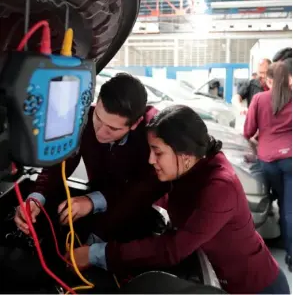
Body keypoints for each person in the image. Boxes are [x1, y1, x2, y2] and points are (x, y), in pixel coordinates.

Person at [69, 105, 290, 294]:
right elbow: (137, 193)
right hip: (218, 280)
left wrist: (99, 254)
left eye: (157, 152)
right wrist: (95, 218)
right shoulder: (186, 167)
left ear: (184, 155)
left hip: (257, 287)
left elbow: (172, 249)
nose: (150, 160)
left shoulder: (220, 188)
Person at [14, 73, 167, 243]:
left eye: (113, 129)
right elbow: (60, 164)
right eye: (98, 119)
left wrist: (92, 204)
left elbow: (144, 190)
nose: (100, 132)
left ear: (136, 123)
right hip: (95, 198)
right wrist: (36, 198)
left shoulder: (153, 137)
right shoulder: (83, 117)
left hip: (137, 212)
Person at [244, 60, 292, 273]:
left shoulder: (259, 99)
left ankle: (256, 250)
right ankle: (291, 254)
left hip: (267, 161)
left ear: (270, 80)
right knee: (289, 209)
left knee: (259, 200)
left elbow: (248, 131)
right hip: (290, 160)